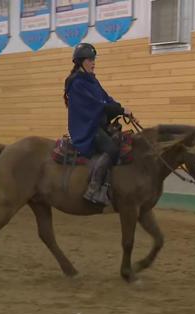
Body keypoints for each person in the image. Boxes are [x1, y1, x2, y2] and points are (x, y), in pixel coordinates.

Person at [63, 43, 133, 205]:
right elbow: (96, 105)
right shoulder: (76, 83)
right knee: (112, 149)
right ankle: (94, 189)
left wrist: (123, 109)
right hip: (86, 128)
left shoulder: (92, 80)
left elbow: (106, 99)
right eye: (90, 60)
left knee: (121, 142)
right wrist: (121, 110)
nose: (93, 63)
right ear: (80, 62)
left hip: (96, 124)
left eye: (94, 59)